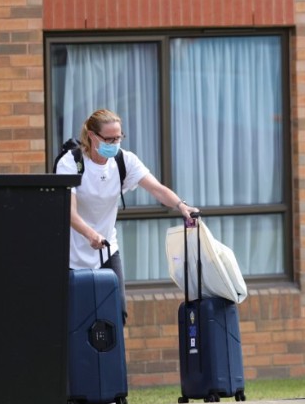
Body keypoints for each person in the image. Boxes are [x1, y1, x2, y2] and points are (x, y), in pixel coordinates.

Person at [56, 109, 199, 323]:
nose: (115, 143)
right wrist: (89, 234)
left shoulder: (124, 161)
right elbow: (68, 211)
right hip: (73, 252)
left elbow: (157, 189)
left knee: (116, 312)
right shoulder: (71, 163)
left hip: (106, 248)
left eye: (119, 137)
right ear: (93, 136)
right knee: (75, 317)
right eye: (109, 139)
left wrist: (181, 205)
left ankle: (114, 356)